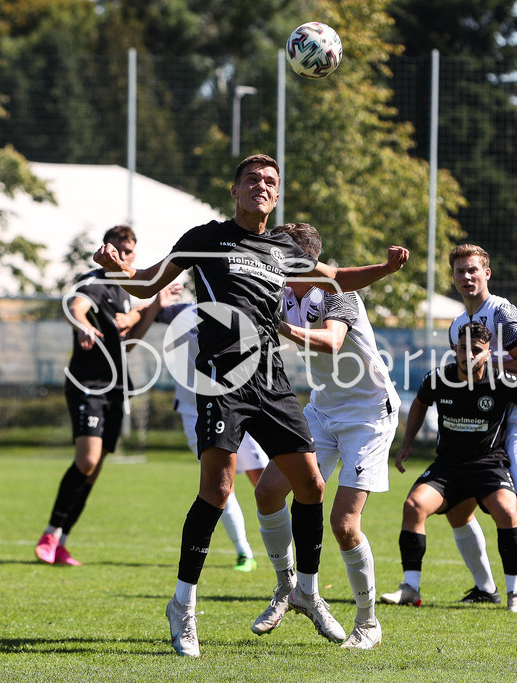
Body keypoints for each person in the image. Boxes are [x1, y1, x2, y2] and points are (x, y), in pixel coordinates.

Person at [92, 153, 409, 657]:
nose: (262, 186)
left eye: (271, 181)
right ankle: (183, 607)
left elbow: (337, 277)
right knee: (217, 492)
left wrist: (387, 268)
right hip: (222, 377)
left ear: (277, 195)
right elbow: (147, 283)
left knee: (309, 485)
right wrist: (118, 271)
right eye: (252, 180)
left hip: (271, 378)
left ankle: (305, 590)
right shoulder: (204, 238)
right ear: (234, 190)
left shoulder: (283, 246)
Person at [382, 243, 517, 612]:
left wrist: (488, 356)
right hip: (479, 435)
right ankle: (486, 587)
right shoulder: (455, 324)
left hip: (515, 424)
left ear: (487, 273)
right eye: (459, 271)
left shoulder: (501, 311)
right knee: (458, 511)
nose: (466, 277)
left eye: (473, 270)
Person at [249, 222, 399, 650]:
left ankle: (368, 623)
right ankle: (289, 589)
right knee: (268, 492)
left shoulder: (338, 292)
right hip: (322, 408)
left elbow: (332, 343)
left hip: (368, 415)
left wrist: (281, 327)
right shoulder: (279, 289)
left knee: (343, 524)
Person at [34, 225, 181, 567]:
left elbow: (127, 342)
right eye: (117, 250)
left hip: (116, 386)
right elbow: (75, 305)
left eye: (128, 252)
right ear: (106, 249)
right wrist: (82, 325)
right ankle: (50, 532)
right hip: (89, 383)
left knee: (95, 467)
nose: (123, 256)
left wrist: (155, 306)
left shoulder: (124, 290)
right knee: (86, 459)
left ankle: (61, 540)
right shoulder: (95, 281)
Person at [389, 321, 517, 613]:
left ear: (487, 353)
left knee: (509, 512)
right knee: (413, 506)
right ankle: (410, 588)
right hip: (448, 467)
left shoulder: (501, 380)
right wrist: (407, 444)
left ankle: (514, 594)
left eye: (476, 350)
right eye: (463, 349)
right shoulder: (438, 378)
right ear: (454, 349)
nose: (468, 355)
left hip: (489, 466)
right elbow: (420, 403)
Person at [158, 300, 269, 572]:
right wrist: (157, 299)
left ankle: (286, 550)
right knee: (219, 483)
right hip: (194, 412)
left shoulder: (240, 308)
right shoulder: (181, 311)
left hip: (236, 408)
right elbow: (147, 312)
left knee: (266, 482)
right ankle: (244, 552)